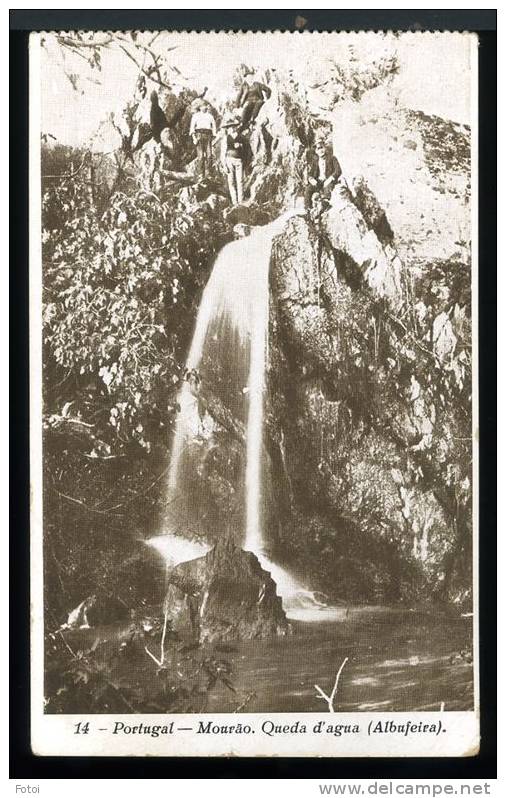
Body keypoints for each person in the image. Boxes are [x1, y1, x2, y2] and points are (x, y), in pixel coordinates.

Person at [304, 139, 342, 211]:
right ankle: (308, 209)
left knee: (327, 190)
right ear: (316, 151)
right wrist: (312, 180)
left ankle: (324, 206)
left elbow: (338, 170)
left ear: (325, 147)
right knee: (308, 189)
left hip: (329, 180)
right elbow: (310, 174)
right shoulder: (315, 161)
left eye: (322, 147)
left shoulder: (332, 158)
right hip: (319, 182)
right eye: (318, 149)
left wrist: (330, 179)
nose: (320, 150)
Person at [220, 112, 248, 206]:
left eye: (233, 127)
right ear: (227, 129)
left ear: (236, 127)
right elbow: (223, 152)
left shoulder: (241, 137)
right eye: (229, 127)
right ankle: (234, 202)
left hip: (239, 160)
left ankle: (241, 201)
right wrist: (224, 165)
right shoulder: (225, 138)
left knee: (240, 181)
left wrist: (241, 146)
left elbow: (246, 150)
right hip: (229, 160)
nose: (231, 129)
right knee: (231, 181)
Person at [189, 100, 217, 178]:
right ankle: (201, 174)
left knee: (209, 155)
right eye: (202, 106)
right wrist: (194, 138)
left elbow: (214, 127)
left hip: (208, 135)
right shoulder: (195, 116)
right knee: (200, 156)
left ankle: (208, 173)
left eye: (205, 106)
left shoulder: (210, 116)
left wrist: (214, 136)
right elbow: (192, 128)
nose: (204, 107)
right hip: (199, 135)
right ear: (200, 107)